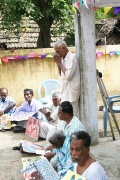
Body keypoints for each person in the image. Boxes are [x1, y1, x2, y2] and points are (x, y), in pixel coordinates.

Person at [53, 40, 80, 118]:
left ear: (64, 48)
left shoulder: (72, 57)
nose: (57, 54)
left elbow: (68, 76)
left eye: (58, 51)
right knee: (64, 116)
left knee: (73, 115)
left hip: (72, 92)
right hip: (64, 91)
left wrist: (60, 63)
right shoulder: (62, 58)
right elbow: (61, 74)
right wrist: (58, 63)